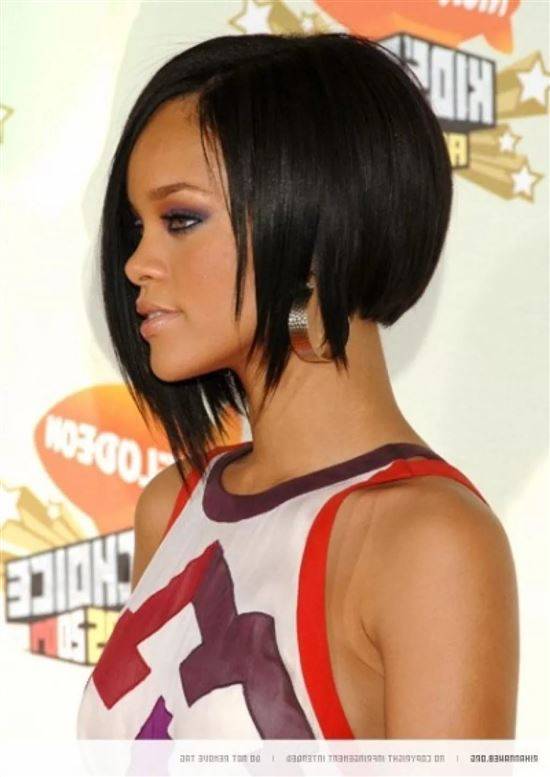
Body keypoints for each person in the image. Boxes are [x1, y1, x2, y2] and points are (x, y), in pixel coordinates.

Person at [77, 32, 519, 740]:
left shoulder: (429, 544)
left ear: (313, 231)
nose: (136, 263)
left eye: (181, 220)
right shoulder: (172, 504)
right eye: (137, 226)